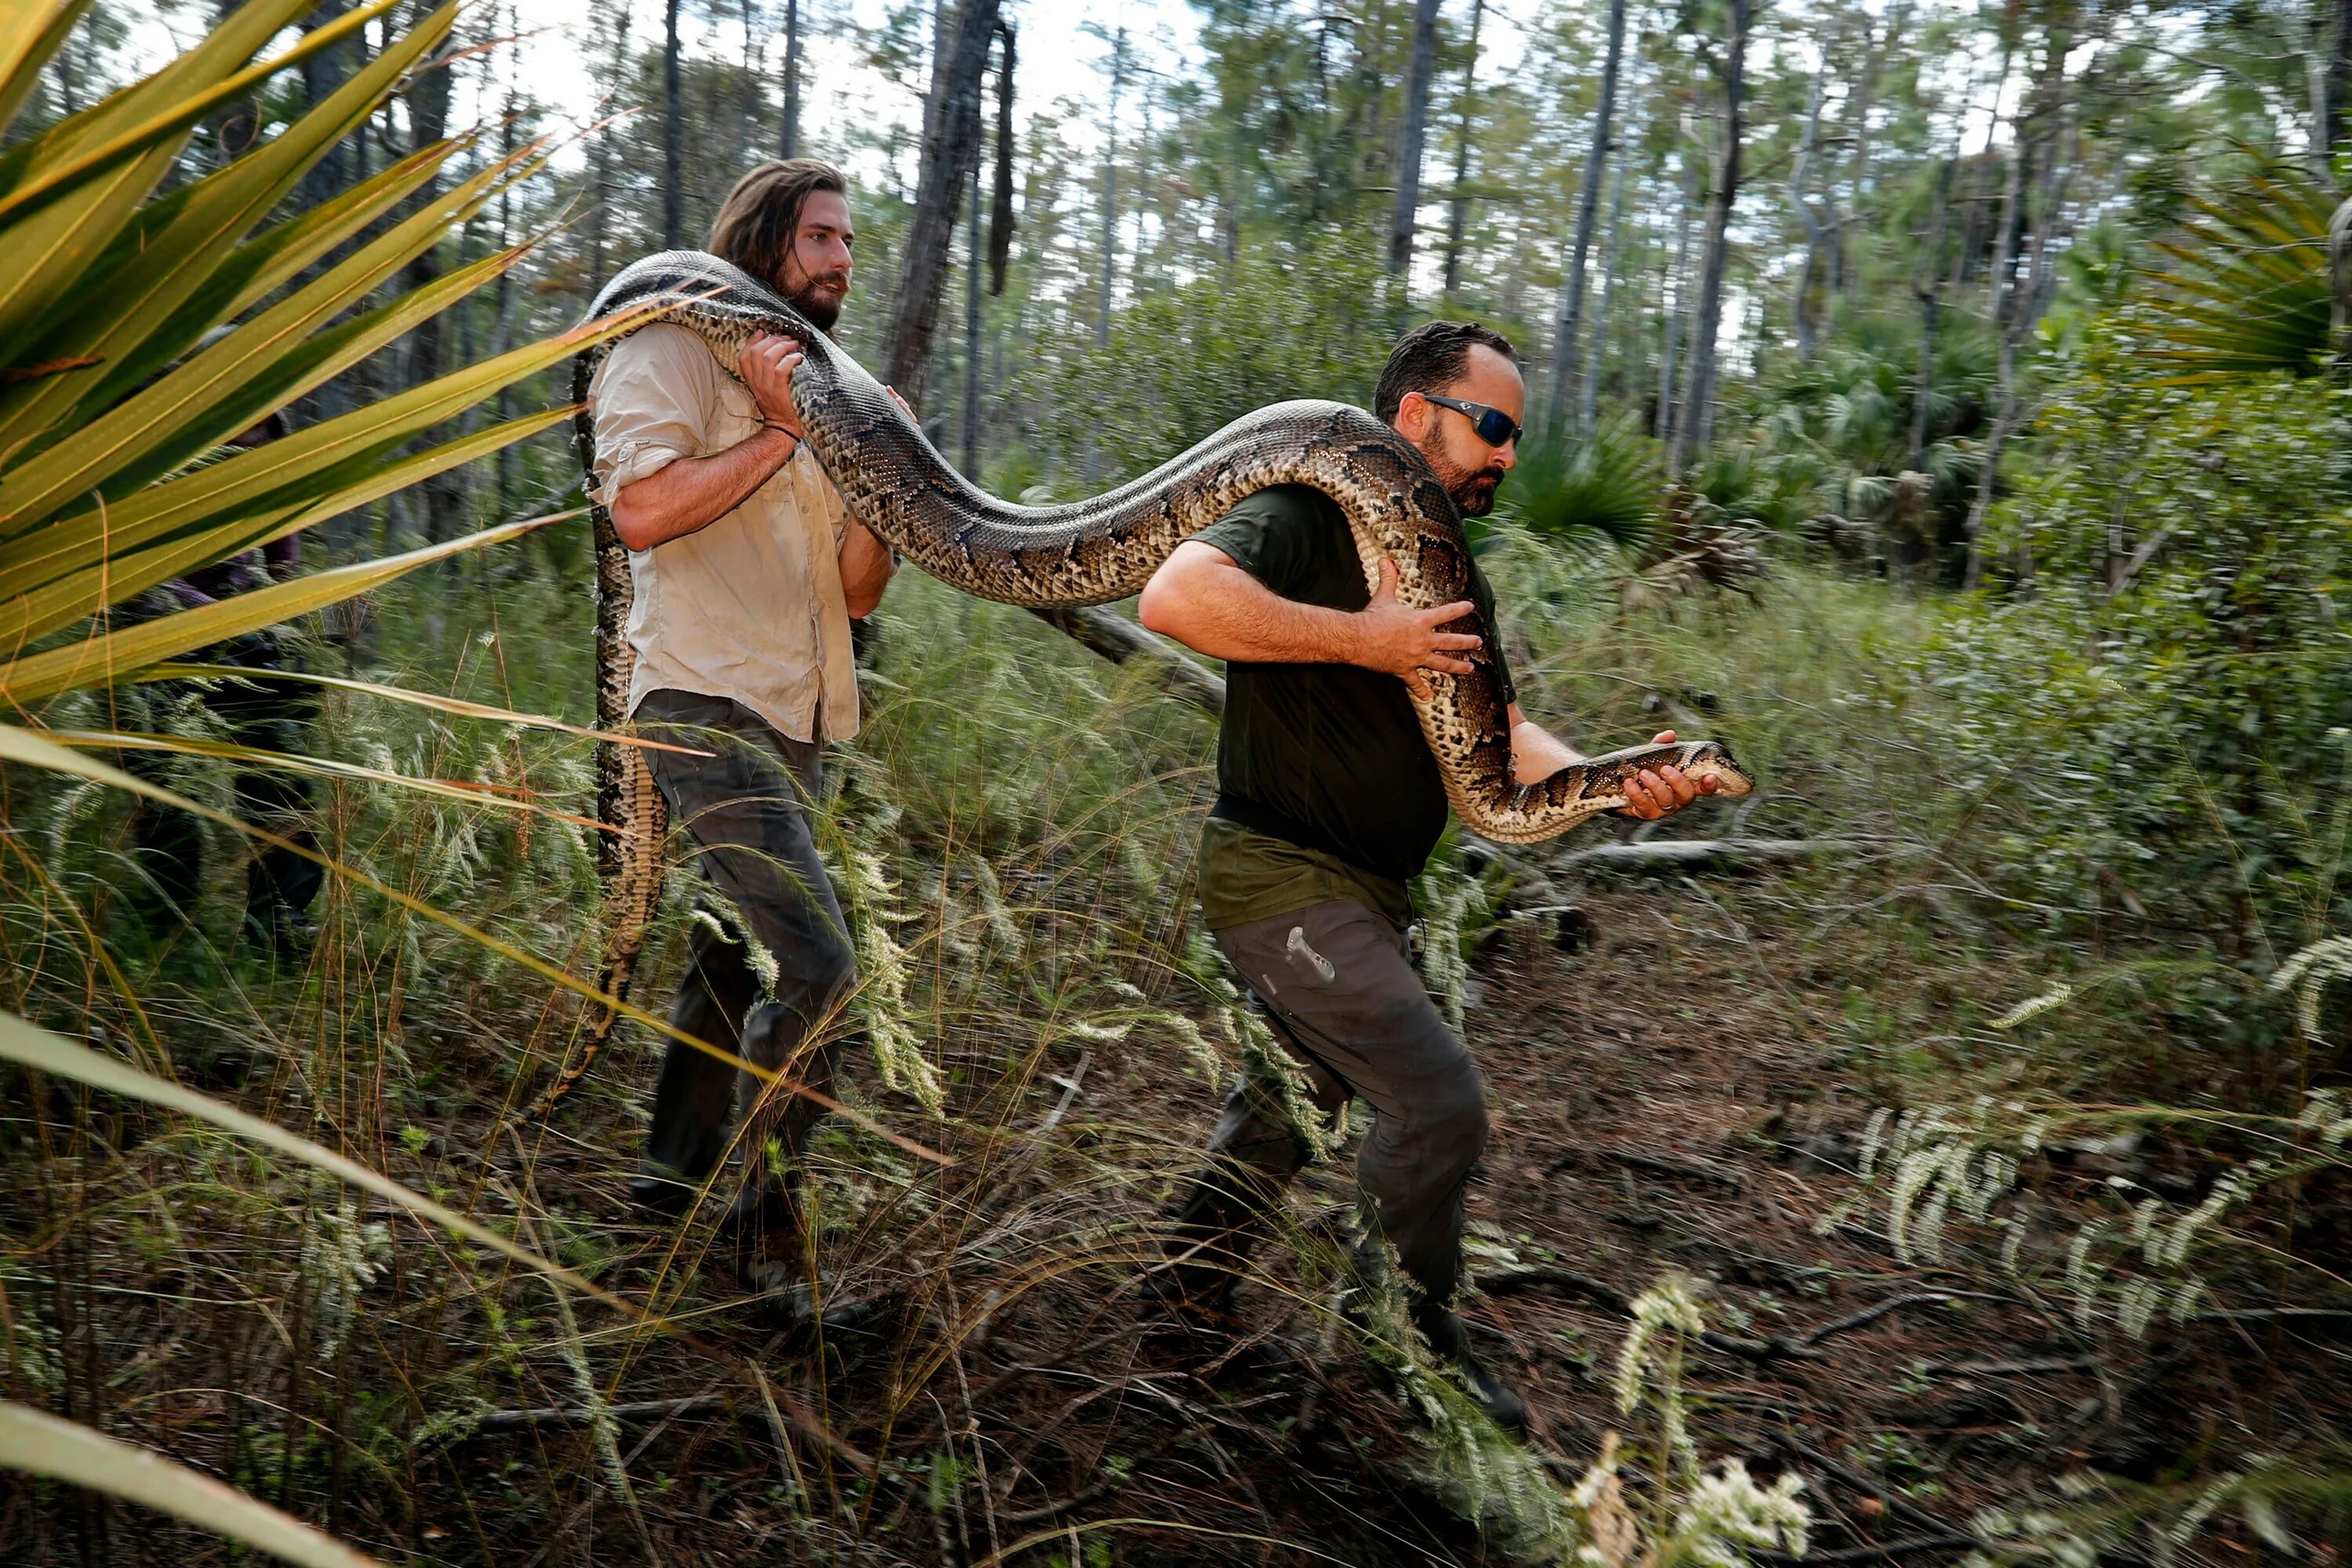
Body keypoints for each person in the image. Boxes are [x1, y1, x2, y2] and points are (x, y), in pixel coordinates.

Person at [1134, 321, 1717, 1429]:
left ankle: (1180, 1297)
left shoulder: (1446, 567)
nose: (1506, 456)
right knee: (1438, 1100)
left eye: (1516, 439)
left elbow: (1500, 734)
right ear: (1413, 419)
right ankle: (1405, 1334)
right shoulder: (1310, 512)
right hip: (1280, 872)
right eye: (1492, 428)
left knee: (1293, 1093)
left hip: (1366, 890)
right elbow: (1174, 599)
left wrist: (1615, 778)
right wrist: (1369, 639)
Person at [586, 159, 896, 1294]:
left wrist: (884, 481)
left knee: (730, 951)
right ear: (763, 240)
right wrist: (780, 429)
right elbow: (642, 511)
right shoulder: (669, 342)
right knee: (820, 964)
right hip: (702, 699)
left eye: (850, 244)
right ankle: (764, 1236)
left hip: (795, 713)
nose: (841, 261)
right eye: (821, 237)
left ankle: (668, 1180)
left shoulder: (830, 384)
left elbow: (857, 595)